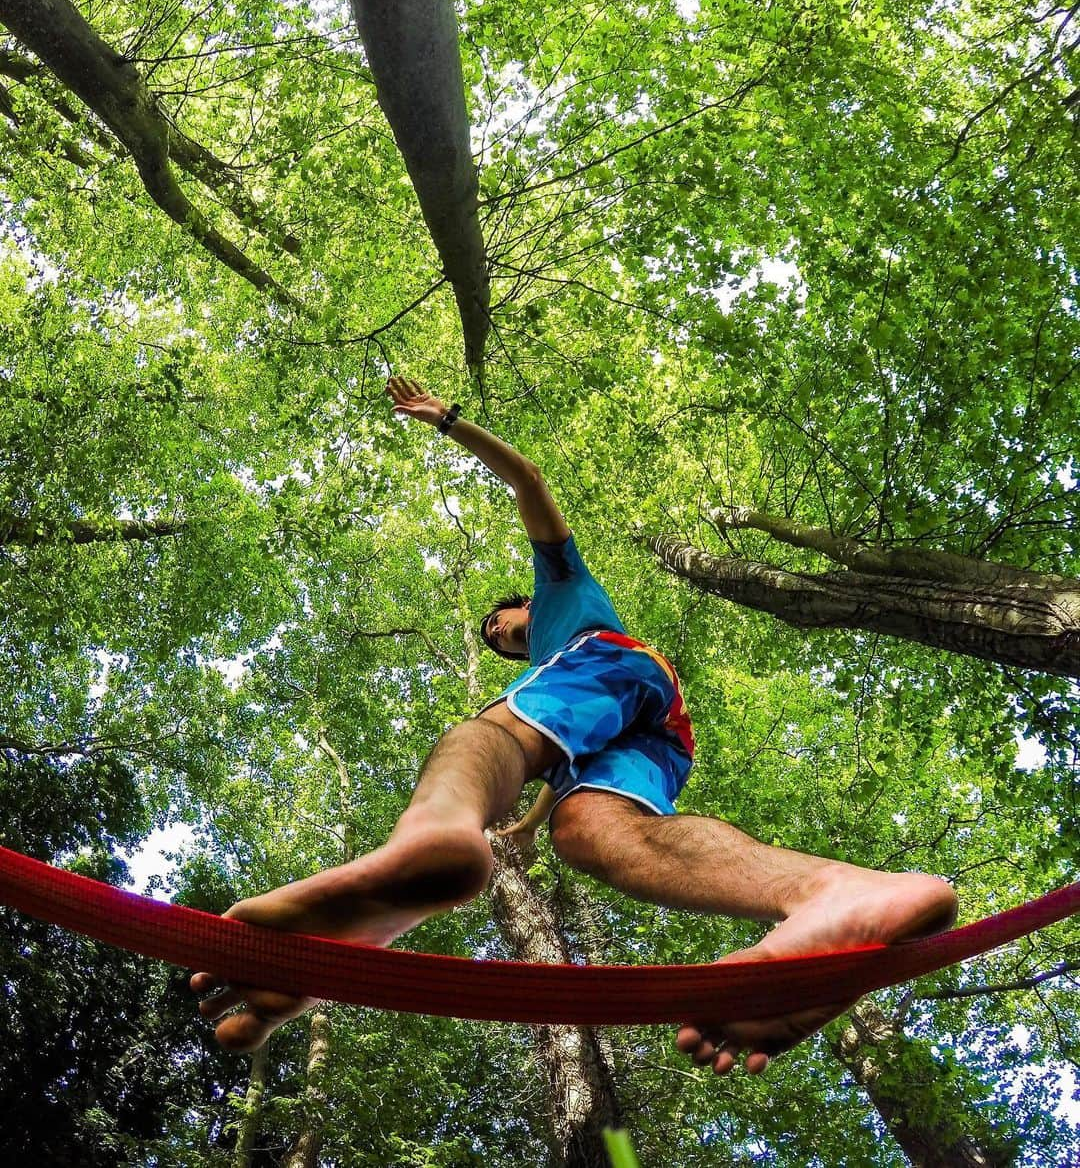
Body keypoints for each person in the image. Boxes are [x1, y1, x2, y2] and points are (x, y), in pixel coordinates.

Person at [191, 377, 957, 1073]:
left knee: (488, 736)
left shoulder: (563, 592)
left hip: (612, 665)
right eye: (493, 639)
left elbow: (529, 481)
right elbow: (566, 754)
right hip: (658, 731)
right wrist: (528, 823)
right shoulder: (551, 680)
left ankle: (436, 833)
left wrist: (449, 421)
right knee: (596, 834)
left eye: (501, 621)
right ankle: (839, 894)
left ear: (524, 604)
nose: (499, 634)